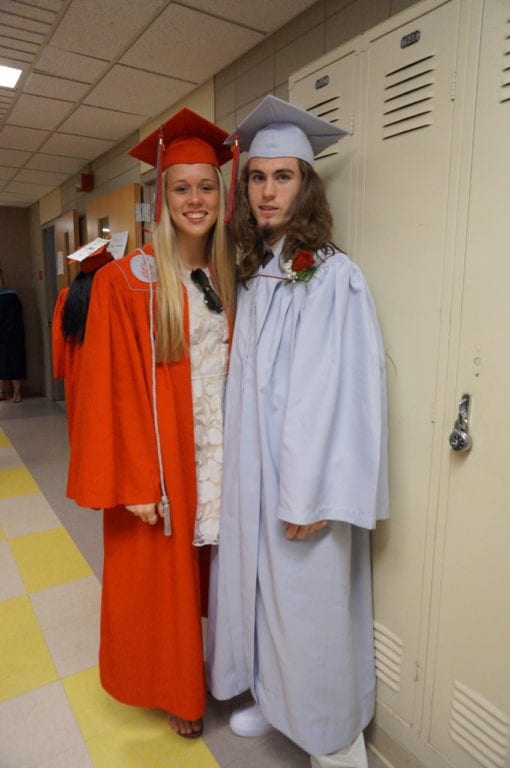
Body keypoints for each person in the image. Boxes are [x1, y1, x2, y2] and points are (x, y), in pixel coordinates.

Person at [207, 96, 389, 768]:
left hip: (301, 483)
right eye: (257, 177)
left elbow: (338, 400)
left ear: (305, 185)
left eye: (283, 176)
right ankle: (272, 695)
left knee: (308, 607)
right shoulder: (259, 277)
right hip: (257, 474)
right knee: (261, 594)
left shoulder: (331, 278)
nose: (267, 190)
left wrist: (310, 497)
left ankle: (334, 737)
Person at [66, 109, 236, 738]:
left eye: (207, 185)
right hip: (165, 462)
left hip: (223, 453)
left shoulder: (231, 273)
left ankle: (230, 673)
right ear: (161, 197)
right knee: (166, 584)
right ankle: (178, 688)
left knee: (221, 576)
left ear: (223, 193)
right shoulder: (126, 283)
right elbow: (108, 390)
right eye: (181, 187)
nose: (196, 199)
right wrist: (137, 479)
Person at [52, 241, 113, 440]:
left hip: (77, 371)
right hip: (108, 370)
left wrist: (61, 368)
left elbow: (59, 340)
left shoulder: (68, 295)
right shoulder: (112, 293)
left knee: (82, 429)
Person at [0, 267, 26, 403]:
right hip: (10, 334)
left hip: (12, 335)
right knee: (3, 363)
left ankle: (16, 392)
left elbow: (16, 317)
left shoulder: (11, 296)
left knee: (14, 362)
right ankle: (3, 391)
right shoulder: (12, 296)